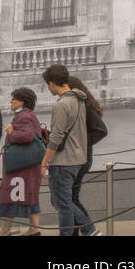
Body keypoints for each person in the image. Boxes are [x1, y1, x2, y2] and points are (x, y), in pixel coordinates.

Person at [40, 64, 97, 236]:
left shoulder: (61, 105)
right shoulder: (80, 100)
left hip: (63, 161)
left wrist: (44, 162)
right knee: (63, 201)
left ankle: (90, 229)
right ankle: (89, 230)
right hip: (78, 158)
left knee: (62, 203)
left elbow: (56, 137)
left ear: (51, 83)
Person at [0, 87, 43, 236]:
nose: (11, 101)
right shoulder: (29, 115)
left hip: (20, 168)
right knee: (30, 195)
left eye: (14, 99)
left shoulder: (23, 116)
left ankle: (5, 229)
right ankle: (35, 229)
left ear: (22, 101)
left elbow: (27, 136)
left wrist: (11, 132)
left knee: (11, 196)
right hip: (28, 166)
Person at [64, 76, 102, 235]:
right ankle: (80, 231)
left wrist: (82, 143)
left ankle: (89, 230)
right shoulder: (87, 105)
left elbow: (100, 131)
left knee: (67, 198)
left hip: (79, 156)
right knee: (72, 196)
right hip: (83, 155)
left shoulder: (82, 106)